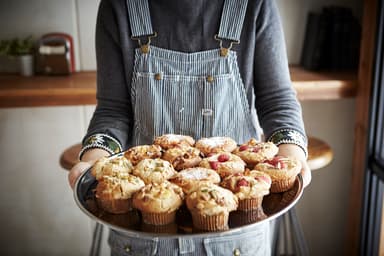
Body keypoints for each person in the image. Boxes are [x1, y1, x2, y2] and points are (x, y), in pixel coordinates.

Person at [69, 0, 311, 255]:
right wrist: (94, 160)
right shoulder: (120, 6)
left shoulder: (254, 5)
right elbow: (113, 109)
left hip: (236, 224)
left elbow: (277, 101)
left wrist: (290, 159)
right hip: (145, 227)